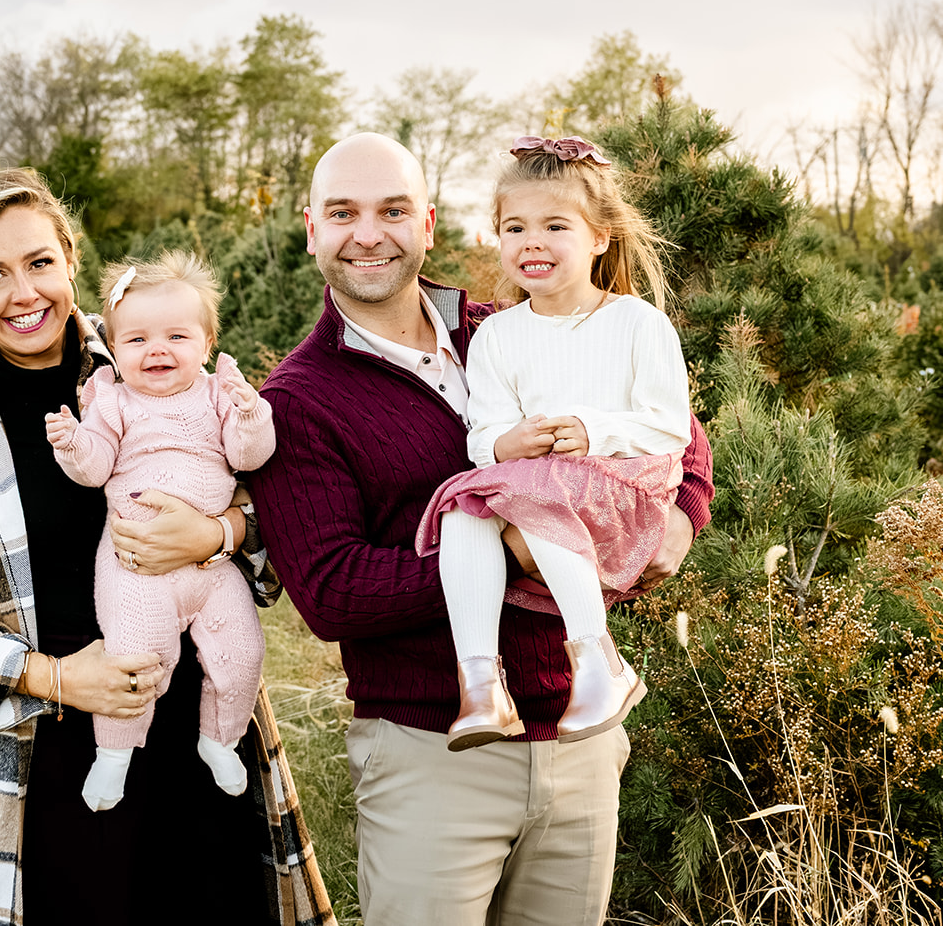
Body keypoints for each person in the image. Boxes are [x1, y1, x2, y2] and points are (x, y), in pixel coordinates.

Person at [250, 133, 714, 926]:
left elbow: (667, 422)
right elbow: (331, 591)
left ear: (429, 222)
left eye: (393, 210)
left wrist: (683, 514)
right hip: (433, 751)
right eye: (343, 213)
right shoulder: (298, 398)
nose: (370, 233)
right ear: (311, 228)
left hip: (578, 735)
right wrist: (500, 545)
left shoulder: (509, 327)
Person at [0, 169, 332, 926]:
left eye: (39, 263)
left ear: (70, 261)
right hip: (39, 749)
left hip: (190, 721)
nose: (24, 293)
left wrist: (220, 533)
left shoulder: (152, 360)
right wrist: (53, 677)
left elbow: (276, 513)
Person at [416, 136, 689, 751]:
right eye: (514, 227)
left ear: (599, 237)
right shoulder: (497, 337)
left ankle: (600, 661)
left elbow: (671, 424)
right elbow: (481, 433)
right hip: (544, 489)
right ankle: (481, 684)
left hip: (628, 492)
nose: (531, 241)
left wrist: (596, 430)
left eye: (554, 225)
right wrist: (504, 444)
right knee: (464, 505)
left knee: (539, 488)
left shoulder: (636, 323)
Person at [45, 252, 274, 811]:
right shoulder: (113, 401)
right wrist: (73, 442)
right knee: (136, 658)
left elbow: (250, 457)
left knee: (242, 651)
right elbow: (96, 466)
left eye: (176, 335)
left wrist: (251, 416)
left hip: (212, 567)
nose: (158, 350)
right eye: (138, 340)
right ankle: (115, 755)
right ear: (114, 349)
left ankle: (220, 739)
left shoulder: (220, 396)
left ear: (206, 342)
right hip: (137, 565)